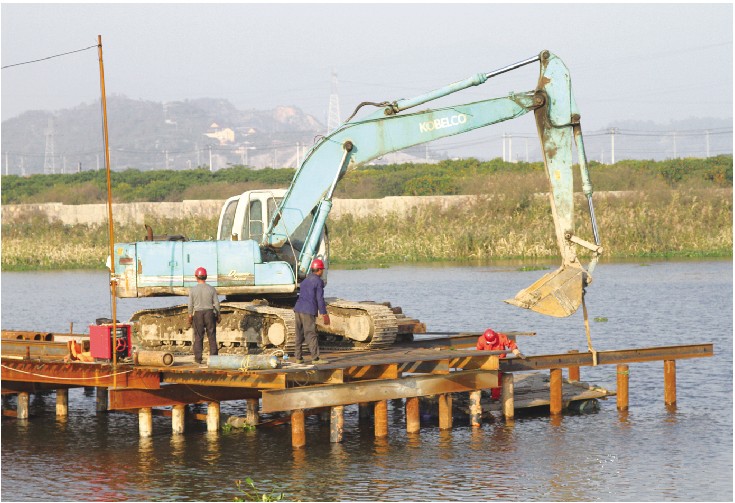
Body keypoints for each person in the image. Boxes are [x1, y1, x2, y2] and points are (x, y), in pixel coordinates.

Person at [293, 258, 331, 365]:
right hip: (308, 310)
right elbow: (319, 299)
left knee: (299, 333)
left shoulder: (305, 280)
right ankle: (315, 358)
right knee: (311, 334)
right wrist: (324, 313)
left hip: (298, 309)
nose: (322, 271)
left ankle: (298, 358)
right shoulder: (318, 281)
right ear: (319, 270)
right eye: (322, 269)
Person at [476, 328, 525, 399]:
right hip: (488, 361)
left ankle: (495, 397)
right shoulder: (481, 340)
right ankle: (487, 392)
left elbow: (511, 344)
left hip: (500, 361)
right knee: (485, 378)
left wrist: (517, 352)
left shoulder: (501, 337)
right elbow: (478, 352)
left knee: (497, 379)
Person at [187, 266, 220, 365]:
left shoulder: (192, 290)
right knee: (212, 336)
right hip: (209, 313)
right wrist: (218, 315)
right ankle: (214, 360)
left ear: (196, 277)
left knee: (198, 337)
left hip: (198, 314)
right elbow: (216, 303)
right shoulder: (212, 289)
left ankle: (198, 359)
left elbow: (190, 305)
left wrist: (190, 316)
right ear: (206, 276)